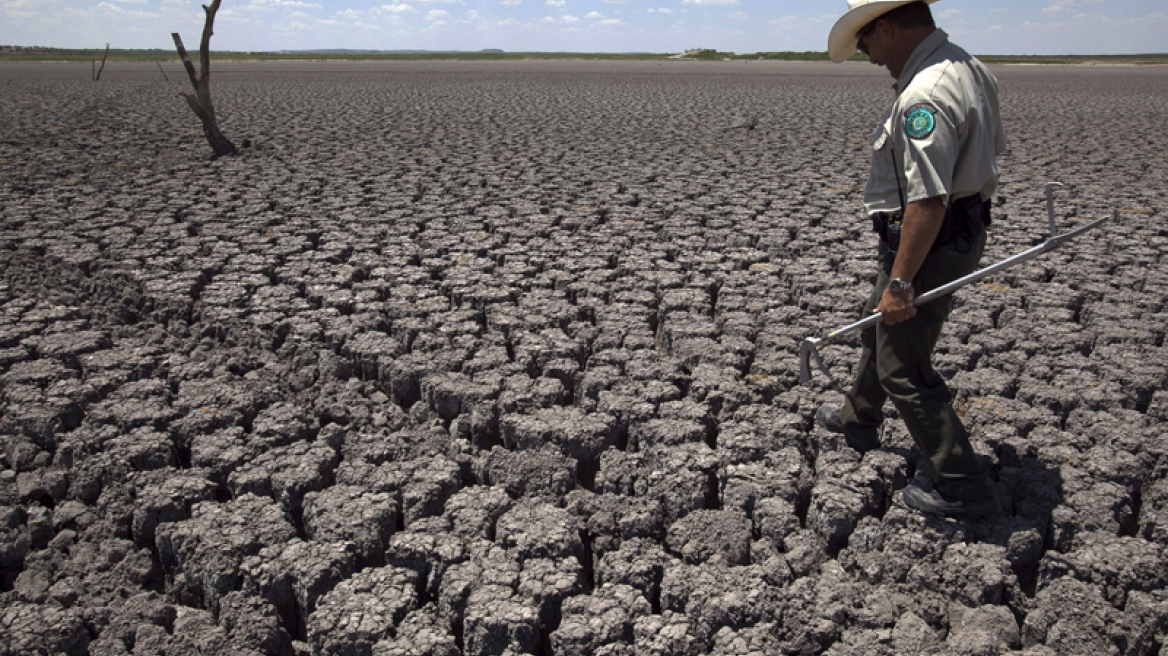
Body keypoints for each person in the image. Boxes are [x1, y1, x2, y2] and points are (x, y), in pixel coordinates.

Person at [818, 0, 1007, 516]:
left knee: (903, 364)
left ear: (886, 28)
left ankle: (962, 483)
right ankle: (858, 418)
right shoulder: (968, 66)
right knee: (875, 326)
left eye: (867, 44)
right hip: (949, 233)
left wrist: (901, 281)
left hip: (931, 241)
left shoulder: (926, 92)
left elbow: (928, 198)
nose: (870, 57)